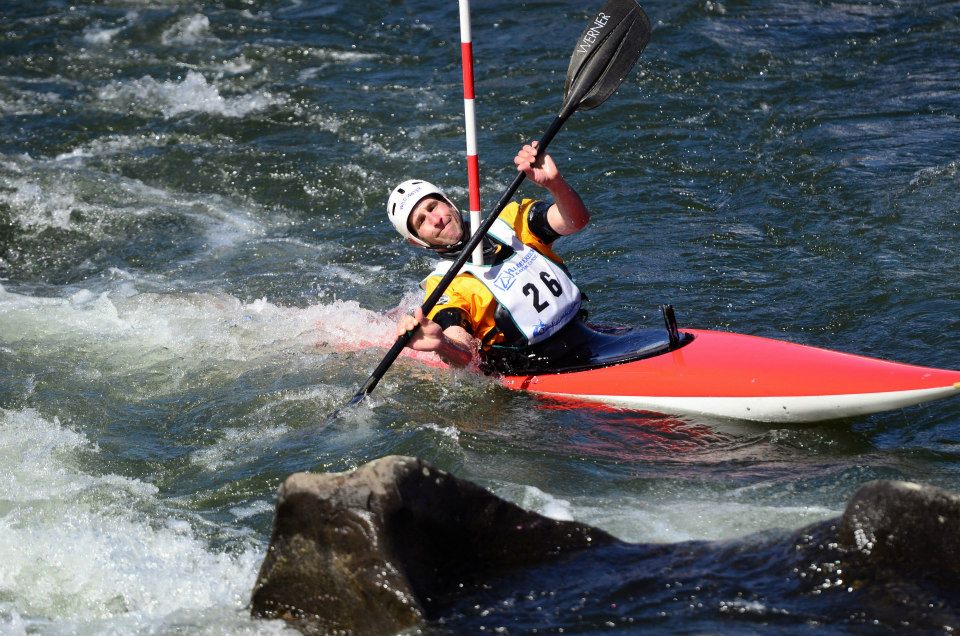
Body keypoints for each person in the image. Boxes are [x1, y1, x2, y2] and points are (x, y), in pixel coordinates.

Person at [389, 141, 590, 368]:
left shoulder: (510, 219)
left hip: (585, 333)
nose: (436, 219)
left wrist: (555, 184)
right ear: (417, 241)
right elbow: (465, 354)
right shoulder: (444, 286)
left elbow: (576, 221)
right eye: (421, 221)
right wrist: (442, 344)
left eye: (433, 206)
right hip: (538, 365)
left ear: (449, 203)